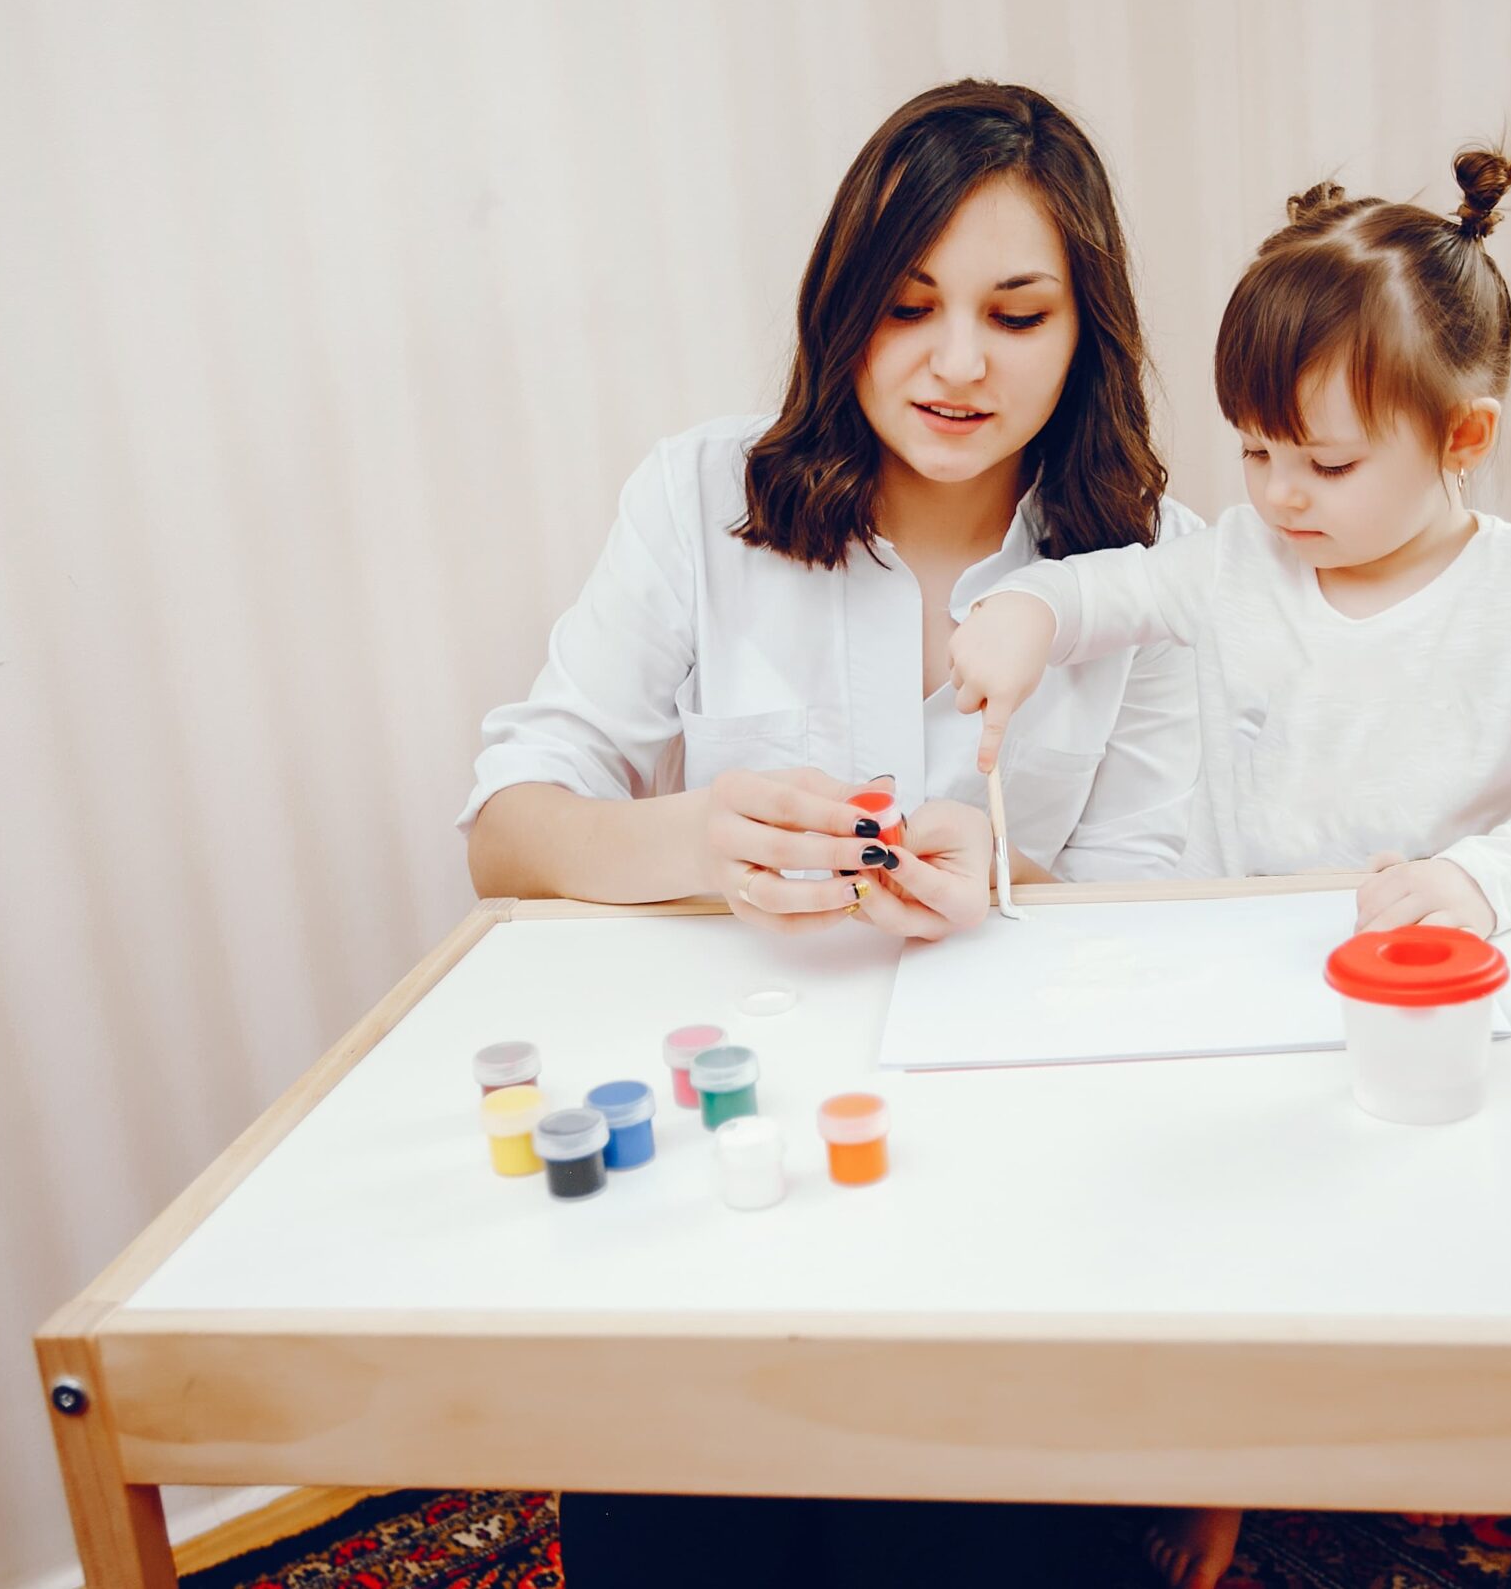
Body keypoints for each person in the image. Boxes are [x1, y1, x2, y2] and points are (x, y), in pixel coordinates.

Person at [462, 78, 1202, 1588]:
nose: (954, 364)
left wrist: (1013, 880)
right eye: (909, 304)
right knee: (685, 1519)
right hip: (739, 1140)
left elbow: (1166, 907)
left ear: (1087, 334)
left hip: (1011, 1163)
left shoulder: (1148, 565)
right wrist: (688, 842)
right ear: (842, 308)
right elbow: (508, 823)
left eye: (1016, 314)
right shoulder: (702, 496)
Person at [948, 147, 1511, 1588]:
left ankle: (1448, 1438)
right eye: (1254, 452)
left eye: (1325, 463)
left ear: (1464, 440)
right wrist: (1020, 621)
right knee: (1206, 1235)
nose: (1278, 495)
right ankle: (1221, 1462)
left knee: (1417, 1228)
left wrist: (1477, 879)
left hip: (1425, 988)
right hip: (1241, 973)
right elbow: (1099, 592)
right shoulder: (1235, 561)